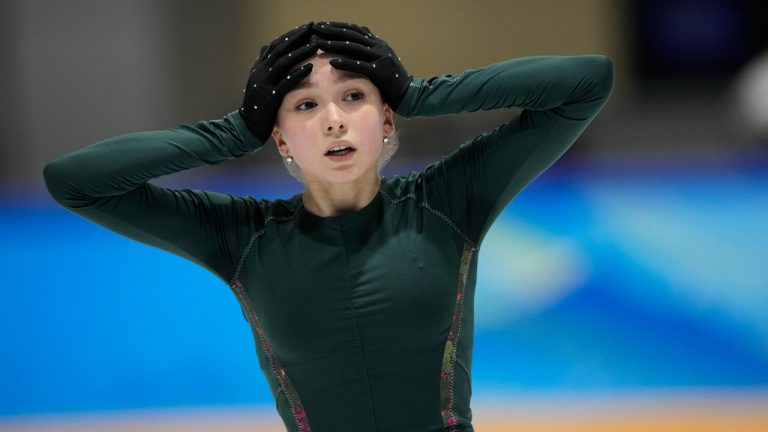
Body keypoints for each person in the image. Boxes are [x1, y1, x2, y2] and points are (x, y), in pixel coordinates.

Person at [44, 21, 614, 432]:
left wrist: (420, 93)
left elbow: (586, 82)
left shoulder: (448, 200)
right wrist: (234, 132)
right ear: (280, 134)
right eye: (305, 105)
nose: (334, 119)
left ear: (386, 117)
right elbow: (74, 180)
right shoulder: (242, 236)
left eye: (354, 95)